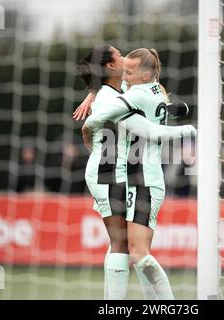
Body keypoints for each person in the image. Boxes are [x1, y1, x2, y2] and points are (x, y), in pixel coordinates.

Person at [77, 45, 195, 300]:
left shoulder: (122, 93)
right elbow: (146, 127)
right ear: (110, 66)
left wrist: (92, 92)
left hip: (126, 175)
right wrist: (189, 130)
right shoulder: (114, 97)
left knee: (127, 247)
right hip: (109, 172)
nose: (124, 58)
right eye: (119, 56)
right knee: (126, 247)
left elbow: (145, 95)